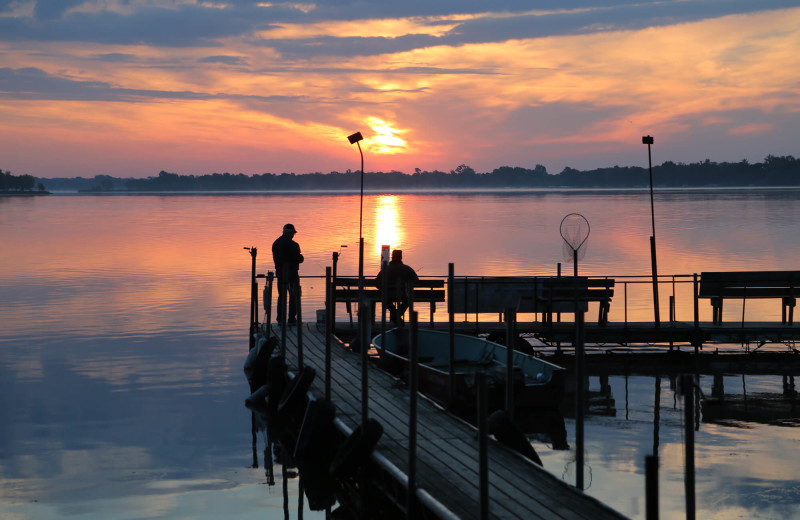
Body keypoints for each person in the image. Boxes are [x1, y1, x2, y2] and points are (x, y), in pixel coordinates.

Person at [375, 249, 419, 325]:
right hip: (403, 295)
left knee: (385, 299)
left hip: (387, 295)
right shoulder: (407, 269)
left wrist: (382, 288)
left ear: (392, 257)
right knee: (407, 300)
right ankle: (397, 316)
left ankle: (395, 316)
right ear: (401, 257)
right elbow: (417, 281)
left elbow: (376, 282)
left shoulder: (385, 269)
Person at [272, 223, 304, 325]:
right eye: (293, 233)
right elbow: (299, 258)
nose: (294, 235)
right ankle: (292, 319)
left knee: (281, 296)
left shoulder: (275, 243)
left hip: (280, 273)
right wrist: (301, 257)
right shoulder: (294, 245)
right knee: (293, 296)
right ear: (291, 233)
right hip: (292, 274)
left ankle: (280, 319)